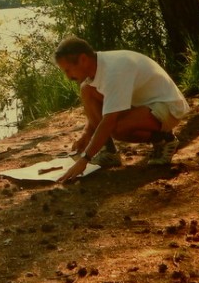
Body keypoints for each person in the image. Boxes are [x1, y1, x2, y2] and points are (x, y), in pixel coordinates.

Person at [54, 36, 189, 183]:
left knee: (116, 128)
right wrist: (86, 134)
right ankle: (109, 152)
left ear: (83, 59)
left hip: (168, 107)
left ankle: (165, 139)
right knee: (87, 89)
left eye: (68, 70)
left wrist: (85, 159)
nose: (68, 76)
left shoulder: (114, 71)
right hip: (142, 105)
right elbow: (103, 110)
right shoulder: (98, 68)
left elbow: (109, 121)